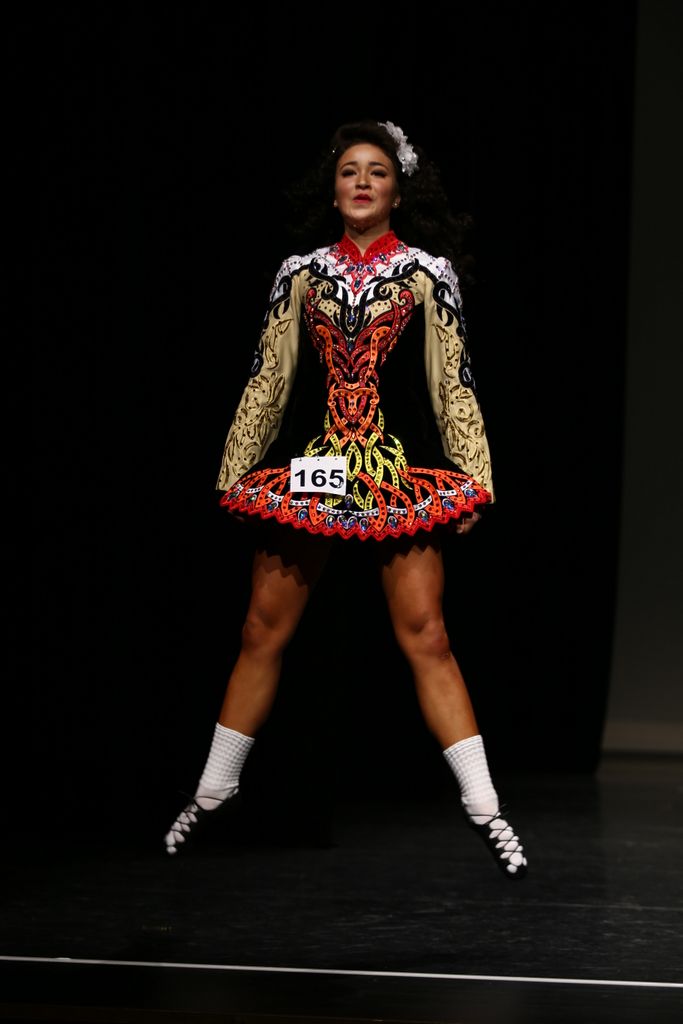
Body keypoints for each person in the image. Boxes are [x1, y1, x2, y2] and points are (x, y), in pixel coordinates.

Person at [164, 118, 528, 879]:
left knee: (427, 634)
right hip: (316, 470)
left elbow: (451, 381)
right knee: (261, 629)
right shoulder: (299, 273)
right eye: (349, 171)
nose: (362, 182)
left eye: (377, 172)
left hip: (394, 472)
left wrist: (474, 476)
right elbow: (269, 377)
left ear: (398, 191)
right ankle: (211, 790)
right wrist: (235, 470)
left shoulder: (426, 273)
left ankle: (486, 807)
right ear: (332, 191)